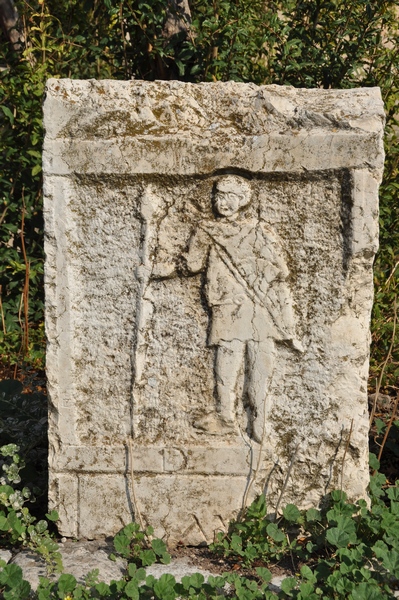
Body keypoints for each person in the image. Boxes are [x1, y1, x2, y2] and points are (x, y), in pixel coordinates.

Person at [184, 175, 303, 442]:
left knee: (258, 360)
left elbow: (280, 270)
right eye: (219, 195)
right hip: (228, 304)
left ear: (242, 200)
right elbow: (191, 264)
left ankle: (258, 423)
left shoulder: (259, 230)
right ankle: (227, 417)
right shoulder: (207, 230)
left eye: (230, 196)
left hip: (255, 304)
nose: (222, 202)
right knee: (229, 357)